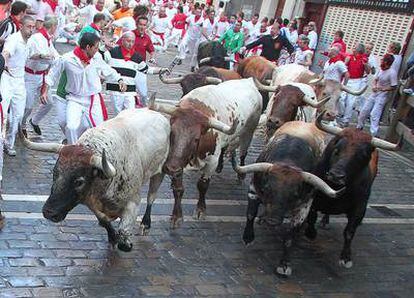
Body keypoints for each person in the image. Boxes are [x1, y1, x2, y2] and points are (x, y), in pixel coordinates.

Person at [41, 32, 127, 144]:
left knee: (99, 130)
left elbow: (107, 70)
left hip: (92, 99)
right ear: (88, 47)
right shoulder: (67, 59)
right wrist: (44, 92)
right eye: (95, 47)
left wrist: (119, 79)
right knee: (71, 127)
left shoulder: (96, 57)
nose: (97, 50)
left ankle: (99, 152)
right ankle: (73, 152)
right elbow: (52, 75)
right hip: (74, 99)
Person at [104, 31, 167, 114]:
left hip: (130, 91)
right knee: (118, 115)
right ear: (122, 40)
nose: (130, 44)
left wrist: (161, 70)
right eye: (128, 41)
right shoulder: (111, 53)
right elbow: (100, 63)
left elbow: (147, 69)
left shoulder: (137, 57)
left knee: (130, 114)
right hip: (114, 90)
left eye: (132, 41)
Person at [0, 15, 35, 158]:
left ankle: (9, 143)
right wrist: (3, 63)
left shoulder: (29, 42)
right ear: (21, 26)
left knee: (18, 115)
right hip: (7, 79)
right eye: (29, 27)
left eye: (33, 27)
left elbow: (31, 55)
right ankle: (2, 142)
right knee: (2, 115)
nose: (31, 30)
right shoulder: (14, 39)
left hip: (20, 81)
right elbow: (6, 52)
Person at [21, 15, 59, 137]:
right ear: (53, 27)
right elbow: (31, 55)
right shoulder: (36, 38)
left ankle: (34, 121)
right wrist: (44, 57)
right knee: (28, 105)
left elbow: (55, 56)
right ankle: (21, 125)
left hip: (42, 76)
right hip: (30, 75)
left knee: (49, 102)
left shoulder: (48, 39)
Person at [357, 54, 397, 136]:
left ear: (386, 62)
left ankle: (374, 133)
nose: (381, 60)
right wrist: (375, 86)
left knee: (374, 114)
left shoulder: (392, 73)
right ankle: (359, 126)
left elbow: (394, 86)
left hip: (382, 96)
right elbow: (375, 79)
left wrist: (384, 89)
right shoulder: (381, 69)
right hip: (374, 93)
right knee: (364, 110)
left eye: (383, 60)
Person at [338, 42, 369, 127]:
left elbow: (368, 71)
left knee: (350, 102)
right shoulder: (349, 57)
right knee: (341, 97)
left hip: (356, 81)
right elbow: (343, 67)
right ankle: (341, 113)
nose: (353, 49)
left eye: (354, 48)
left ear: (358, 50)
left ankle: (345, 120)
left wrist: (366, 65)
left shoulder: (364, 59)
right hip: (347, 79)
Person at [132, 15, 155, 104]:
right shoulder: (130, 35)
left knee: (144, 94)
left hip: (141, 69)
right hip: (129, 68)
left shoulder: (147, 38)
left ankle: (143, 109)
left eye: (144, 25)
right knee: (130, 94)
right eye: (140, 24)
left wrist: (152, 58)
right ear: (136, 24)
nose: (142, 27)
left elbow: (151, 50)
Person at [176, 6, 203, 72]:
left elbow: (203, 29)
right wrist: (180, 22)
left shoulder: (202, 20)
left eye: (200, 12)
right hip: (188, 34)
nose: (198, 13)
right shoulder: (191, 17)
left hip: (196, 38)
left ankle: (192, 66)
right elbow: (185, 22)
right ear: (195, 12)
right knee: (182, 44)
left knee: (194, 53)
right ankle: (181, 57)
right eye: (197, 12)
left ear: (201, 13)